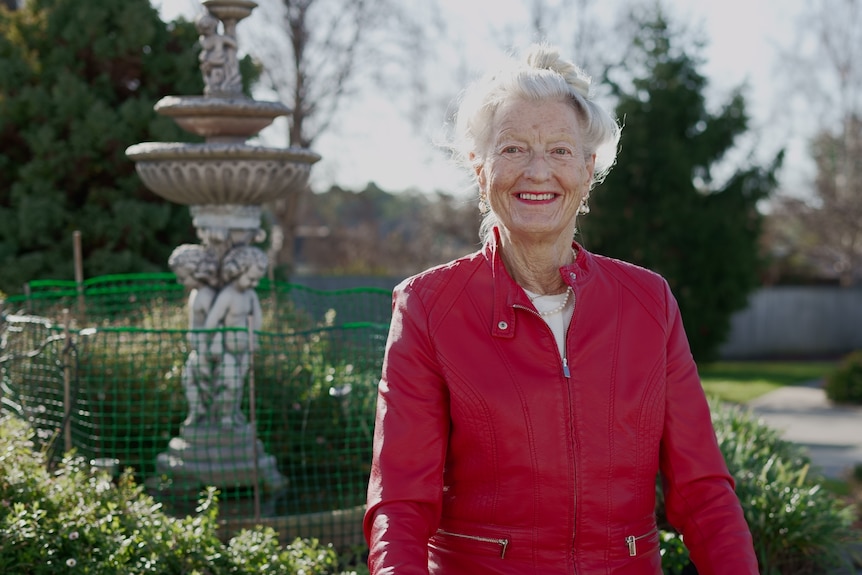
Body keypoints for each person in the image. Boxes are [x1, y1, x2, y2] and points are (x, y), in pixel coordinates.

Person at [363, 43, 759, 574]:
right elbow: (401, 505)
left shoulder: (649, 302)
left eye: (559, 150)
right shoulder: (428, 306)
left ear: (589, 169)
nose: (537, 171)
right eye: (513, 149)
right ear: (480, 171)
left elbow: (703, 492)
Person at [204, 245, 266, 427]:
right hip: (227, 351)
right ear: (238, 271)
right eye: (251, 279)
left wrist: (255, 337)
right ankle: (223, 416)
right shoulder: (228, 295)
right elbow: (211, 323)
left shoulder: (250, 295)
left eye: (257, 280)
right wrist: (215, 341)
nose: (254, 284)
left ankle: (233, 412)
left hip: (244, 350)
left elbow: (258, 318)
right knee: (231, 384)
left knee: (240, 386)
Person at [168, 244, 219, 426]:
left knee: (202, 383)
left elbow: (215, 324)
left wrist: (209, 349)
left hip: (205, 350)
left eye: (183, 277)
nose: (180, 282)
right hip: (198, 349)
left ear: (195, 272)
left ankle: (204, 413)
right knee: (190, 380)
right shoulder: (197, 293)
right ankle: (198, 411)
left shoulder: (206, 295)